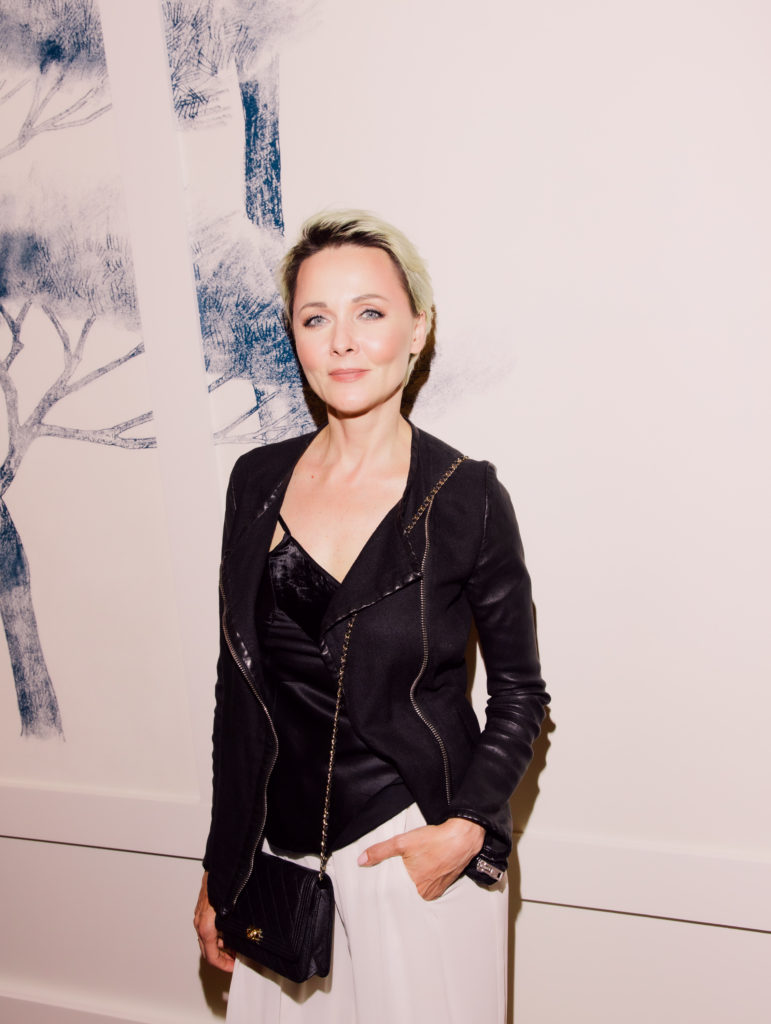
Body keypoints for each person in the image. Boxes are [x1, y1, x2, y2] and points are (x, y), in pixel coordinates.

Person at [194, 210, 549, 1023]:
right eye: (316, 318)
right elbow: (236, 695)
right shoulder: (254, 482)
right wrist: (222, 864)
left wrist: (467, 827)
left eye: (370, 312)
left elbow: (521, 694)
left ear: (417, 330)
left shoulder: (465, 497)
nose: (343, 342)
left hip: (409, 851)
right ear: (294, 337)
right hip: (276, 858)